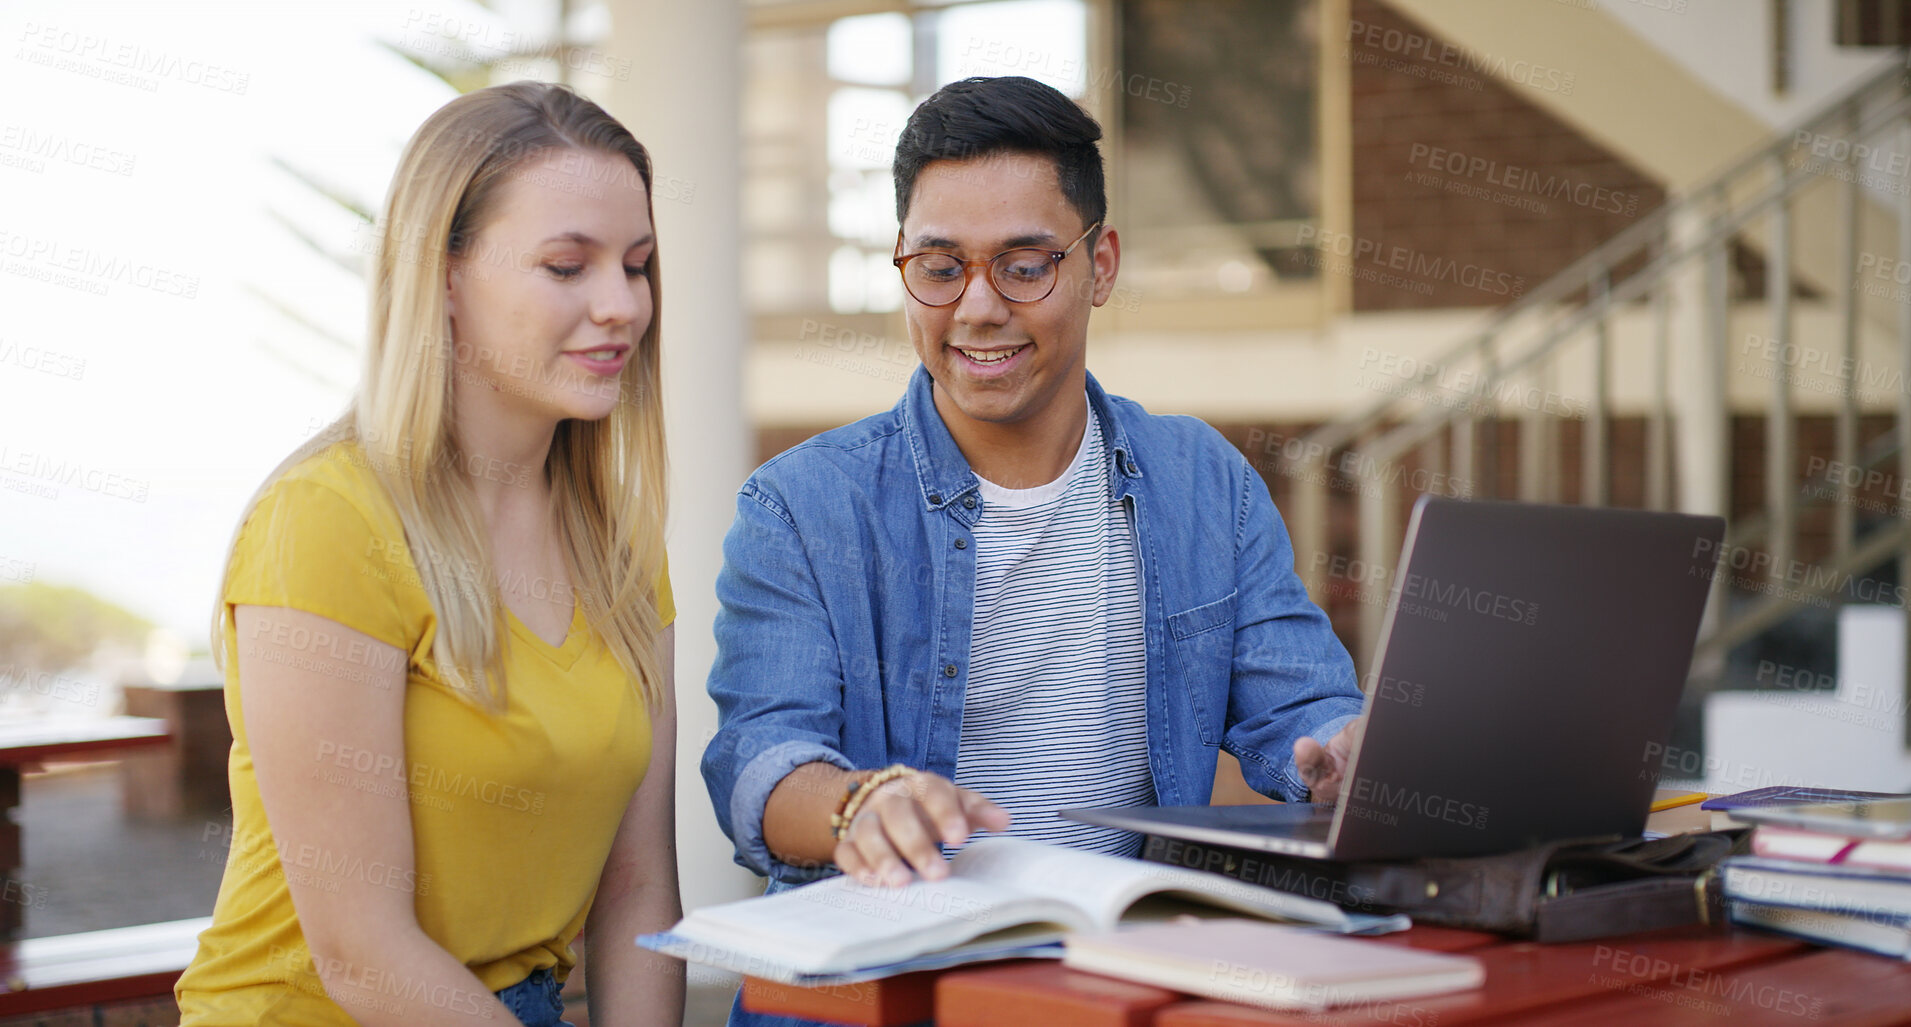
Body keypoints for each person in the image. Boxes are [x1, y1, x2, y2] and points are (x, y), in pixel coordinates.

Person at [702, 75, 1364, 1025]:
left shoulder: (1202, 482)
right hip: (883, 996)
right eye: (940, 267)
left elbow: (1304, 705)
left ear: (1100, 265)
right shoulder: (802, 506)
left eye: (1023, 265)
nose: (977, 307)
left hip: (1114, 986)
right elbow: (758, 758)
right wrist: (858, 804)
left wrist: (1346, 749)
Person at [175, 82, 683, 1027]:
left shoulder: (617, 543)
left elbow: (639, 888)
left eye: (637, 265)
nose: (621, 305)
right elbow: (363, 952)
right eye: (567, 266)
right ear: (443, 277)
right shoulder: (326, 521)